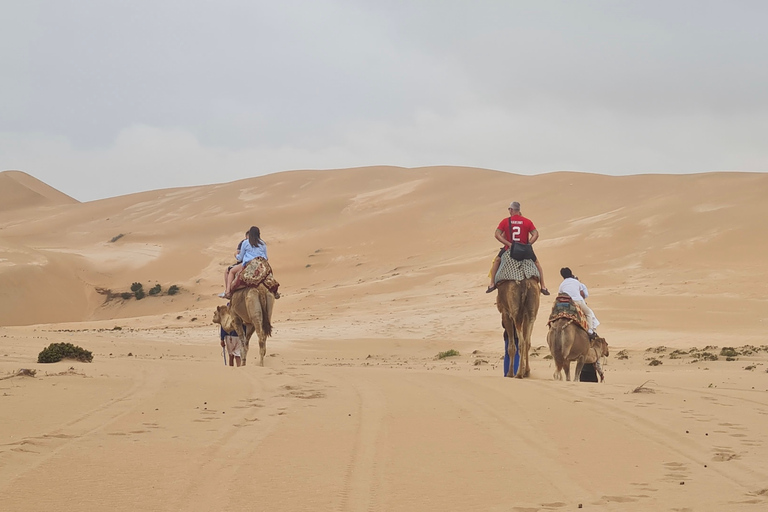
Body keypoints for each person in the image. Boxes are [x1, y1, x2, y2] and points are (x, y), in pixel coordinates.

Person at [486, 201, 550, 295]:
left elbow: (497, 234)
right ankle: (543, 286)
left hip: (510, 249)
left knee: (497, 261)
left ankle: (492, 284)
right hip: (525, 249)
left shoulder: (505, 221)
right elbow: (536, 234)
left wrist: (509, 244)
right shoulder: (527, 221)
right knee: (537, 263)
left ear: (511, 210)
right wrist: (528, 244)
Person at [221, 226, 268, 298]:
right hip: (261, 264)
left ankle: (228, 292)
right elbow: (266, 258)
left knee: (231, 271)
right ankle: (275, 291)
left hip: (249, 264)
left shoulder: (245, 242)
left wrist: (236, 255)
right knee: (269, 275)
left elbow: (240, 258)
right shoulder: (263, 243)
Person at [557, 267, 600, 339]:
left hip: (566, 304)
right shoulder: (576, 282)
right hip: (577, 301)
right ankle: (590, 330)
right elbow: (582, 294)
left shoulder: (561, 285)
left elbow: (559, 295)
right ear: (571, 273)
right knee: (588, 313)